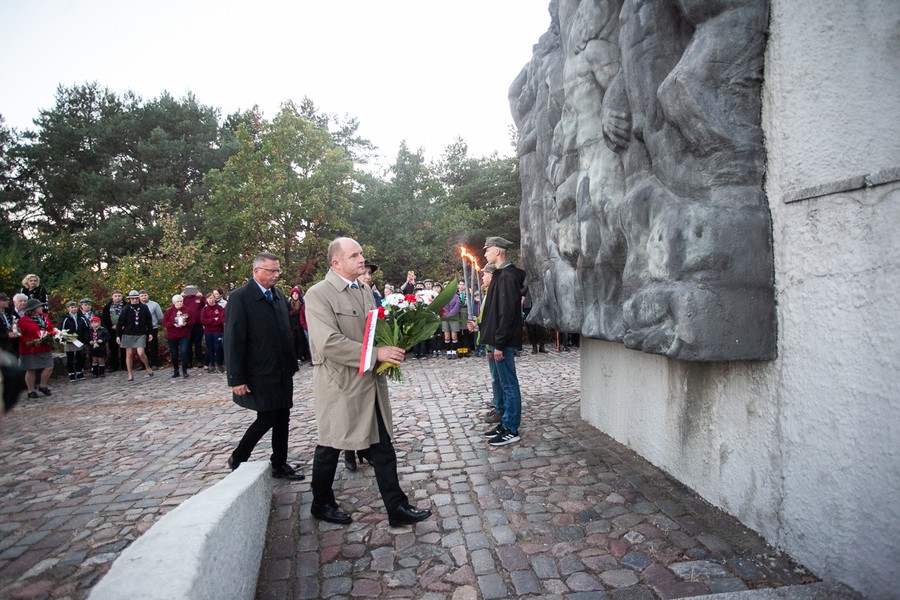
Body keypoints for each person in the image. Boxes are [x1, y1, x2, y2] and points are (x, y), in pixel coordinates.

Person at [305, 237, 432, 526]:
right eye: (354, 255)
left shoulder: (363, 290)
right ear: (335, 262)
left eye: (361, 253)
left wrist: (398, 342)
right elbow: (328, 343)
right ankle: (321, 502)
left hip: (371, 382)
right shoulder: (318, 294)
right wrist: (378, 353)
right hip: (342, 385)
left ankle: (396, 507)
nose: (361, 259)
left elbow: (375, 328)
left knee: (383, 446)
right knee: (331, 444)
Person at [224, 252, 304, 481]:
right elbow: (233, 339)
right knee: (267, 417)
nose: (276, 275)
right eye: (271, 271)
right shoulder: (240, 298)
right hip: (259, 370)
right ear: (256, 271)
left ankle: (279, 462)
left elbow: (284, 332)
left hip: (281, 369)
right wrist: (236, 378)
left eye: (278, 270)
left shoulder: (278, 295)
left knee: (283, 417)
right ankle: (239, 457)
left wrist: (291, 363)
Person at [469, 237, 526, 447]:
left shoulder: (508, 277)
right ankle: (505, 422)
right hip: (496, 340)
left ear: (499, 251)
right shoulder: (501, 275)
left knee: (509, 385)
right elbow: (493, 312)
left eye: (488, 250)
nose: (485, 254)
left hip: (503, 341)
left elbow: (507, 313)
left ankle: (512, 428)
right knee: (504, 384)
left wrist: (500, 343)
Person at [17, 298, 58, 398]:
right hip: (30, 348)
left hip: (44, 346)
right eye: (40, 306)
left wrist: (52, 334)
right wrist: (32, 341)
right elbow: (21, 335)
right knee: (31, 369)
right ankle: (31, 391)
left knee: (49, 366)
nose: (42, 308)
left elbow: (50, 328)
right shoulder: (23, 321)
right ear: (33, 309)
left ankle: (42, 385)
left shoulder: (44, 317)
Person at [116, 290, 154, 381]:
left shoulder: (144, 307)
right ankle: (130, 373)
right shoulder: (126, 308)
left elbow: (149, 321)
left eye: (136, 298)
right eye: (132, 298)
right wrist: (118, 335)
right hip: (128, 333)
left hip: (140, 333)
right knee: (129, 353)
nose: (134, 300)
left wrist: (150, 332)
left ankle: (147, 366)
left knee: (141, 352)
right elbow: (120, 322)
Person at [162, 295, 191, 378]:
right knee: (174, 353)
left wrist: (186, 323)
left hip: (184, 334)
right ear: (174, 303)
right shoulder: (169, 311)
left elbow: (192, 320)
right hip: (172, 335)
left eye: (181, 301)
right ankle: (176, 370)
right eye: (178, 302)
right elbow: (164, 322)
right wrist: (173, 324)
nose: (180, 303)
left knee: (184, 351)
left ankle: (184, 370)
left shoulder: (186, 310)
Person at [59, 301, 89, 381]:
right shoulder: (65, 318)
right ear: (68, 308)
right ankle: (71, 373)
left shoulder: (81, 317)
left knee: (80, 357)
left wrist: (85, 339)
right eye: (72, 307)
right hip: (69, 340)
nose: (74, 309)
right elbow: (61, 329)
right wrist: (66, 338)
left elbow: (86, 328)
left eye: (75, 307)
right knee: (70, 358)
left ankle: (79, 372)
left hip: (79, 340)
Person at [181, 286, 205, 370]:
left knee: (198, 344)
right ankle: (189, 362)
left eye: (192, 289)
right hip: (187, 325)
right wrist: (181, 296)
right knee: (188, 344)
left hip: (198, 324)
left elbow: (207, 305)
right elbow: (177, 307)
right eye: (188, 290)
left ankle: (199, 361)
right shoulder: (184, 299)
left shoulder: (199, 297)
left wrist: (201, 296)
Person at [200, 293, 226, 373]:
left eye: (212, 298)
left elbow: (221, 320)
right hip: (208, 332)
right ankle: (212, 365)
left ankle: (219, 365)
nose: (211, 300)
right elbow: (203, 321)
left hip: (218, 331)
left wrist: (214, 321)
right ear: (207, 300)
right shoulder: (204, 309)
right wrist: (212, 319)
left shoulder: (220, 308)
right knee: (210, 349)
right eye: (209, 298)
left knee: (218, 348)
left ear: (214, 298)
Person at [101, 291, 126, 372]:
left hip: (124, 329)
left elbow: (129, 317)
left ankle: (124, 365)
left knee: (124, 348)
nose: (117, 297)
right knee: (113, 348)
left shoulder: (126, 305)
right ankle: (114, 365)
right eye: (115, 296)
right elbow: (105, 318)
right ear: (112, 297)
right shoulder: (108, 306)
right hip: (111, 329)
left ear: (122, 296)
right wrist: (111, 326)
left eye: (119, 295)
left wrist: (122, 326)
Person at [140, 290, 164, 368]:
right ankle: (144, 364)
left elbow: (160, 316)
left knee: (153, 346)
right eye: (142, 296)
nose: (144, 297)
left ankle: (154, 363)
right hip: (141, 329)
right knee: (143, 347)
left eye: (145, 295)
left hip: (153, 328)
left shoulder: (154, 305)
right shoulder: (137, 305)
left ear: (148, 296)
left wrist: (159, 325)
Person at [439, 282, 462, 359]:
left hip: (454, 317)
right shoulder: (442, 297)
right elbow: (441, 306)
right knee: (446, 335)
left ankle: (454, 351)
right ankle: (448, 351)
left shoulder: (456, 296)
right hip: (445, 317)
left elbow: (457, 306)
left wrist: (450, 314)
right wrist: (445, 314)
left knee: (454, 335)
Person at [287, 286, 310, 364]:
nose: (295, 295)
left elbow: (302, 314)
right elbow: (287, 313)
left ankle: (301, 356)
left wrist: (293, 313)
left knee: (301, 341)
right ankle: (295, 357)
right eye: (293, 294)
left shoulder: (302, 303)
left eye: (296, 294)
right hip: (292, 326)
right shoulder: (289, 304)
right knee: (293, 341)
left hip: (300, 326)